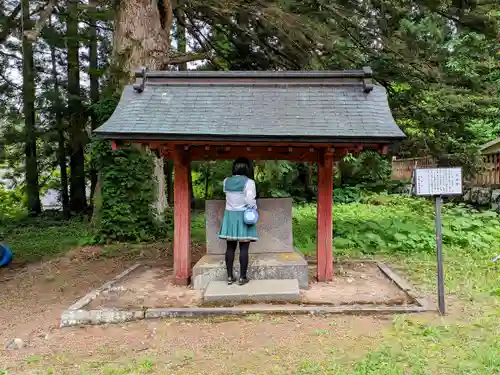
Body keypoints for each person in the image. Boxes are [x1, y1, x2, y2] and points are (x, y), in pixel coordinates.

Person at [218, 157, 258, 285]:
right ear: (247, 168)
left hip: (229, 216)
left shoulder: (226, 181)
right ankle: (242, 277)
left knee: (230, 248)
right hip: (243, 217)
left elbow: (228, 197)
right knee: (244, 248)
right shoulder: (249, 182)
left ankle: (229, 277)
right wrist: (254, 208)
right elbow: (250, 201)